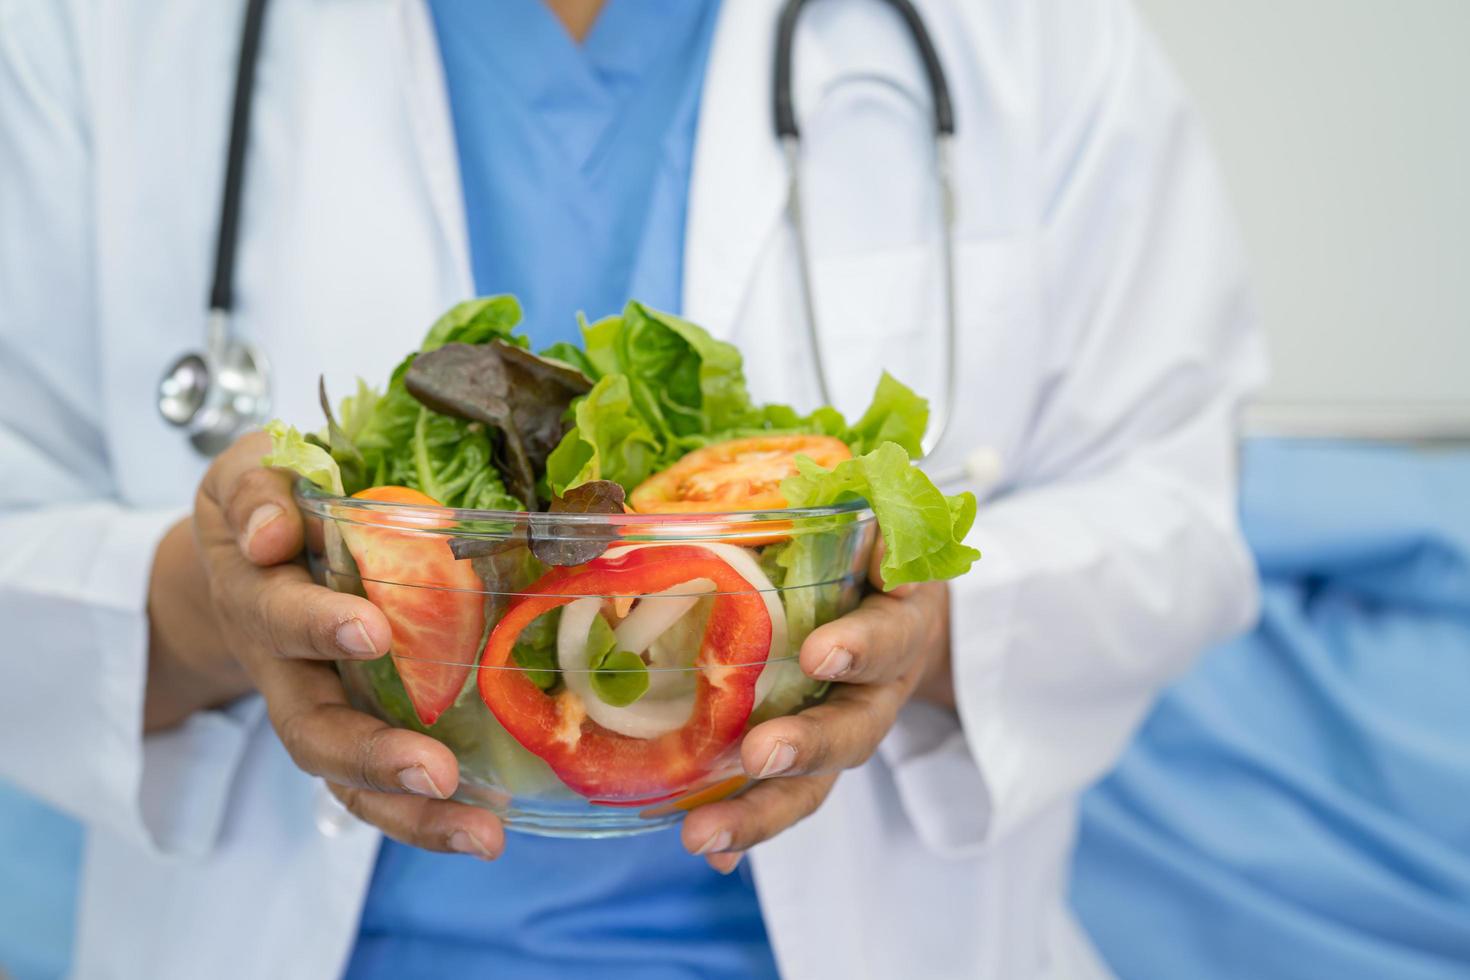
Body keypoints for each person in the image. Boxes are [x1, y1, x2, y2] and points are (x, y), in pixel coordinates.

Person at [0, 0, 1266, 977]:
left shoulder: (1026, 37)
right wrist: (199, 604)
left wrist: (922, 623)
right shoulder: (100, 33)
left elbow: (1180, 516)